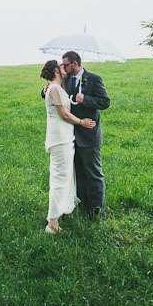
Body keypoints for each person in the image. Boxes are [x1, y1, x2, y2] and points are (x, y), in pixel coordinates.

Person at [41, 59, 96, 234]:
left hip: (65, 137)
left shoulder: (57, 87)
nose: (64, 68)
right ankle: (52, 222)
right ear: (56, 70)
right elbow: (64, 114)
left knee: (65, 177)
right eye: (61, 66)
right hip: (59, 138)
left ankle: (60, 212)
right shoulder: (55, 88)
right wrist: (82, 122)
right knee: (59, 179)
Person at [61, 50, 110, 219]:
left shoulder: (94, 79)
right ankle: (84, 207)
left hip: (89, 135)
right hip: (71, 135)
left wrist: (86, 100)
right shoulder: (65, 80)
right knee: (79, 173)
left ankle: (98, 212)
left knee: (94, 174)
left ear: (75, 64)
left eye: (65, 64)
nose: (63, 67)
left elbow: (105, 102)